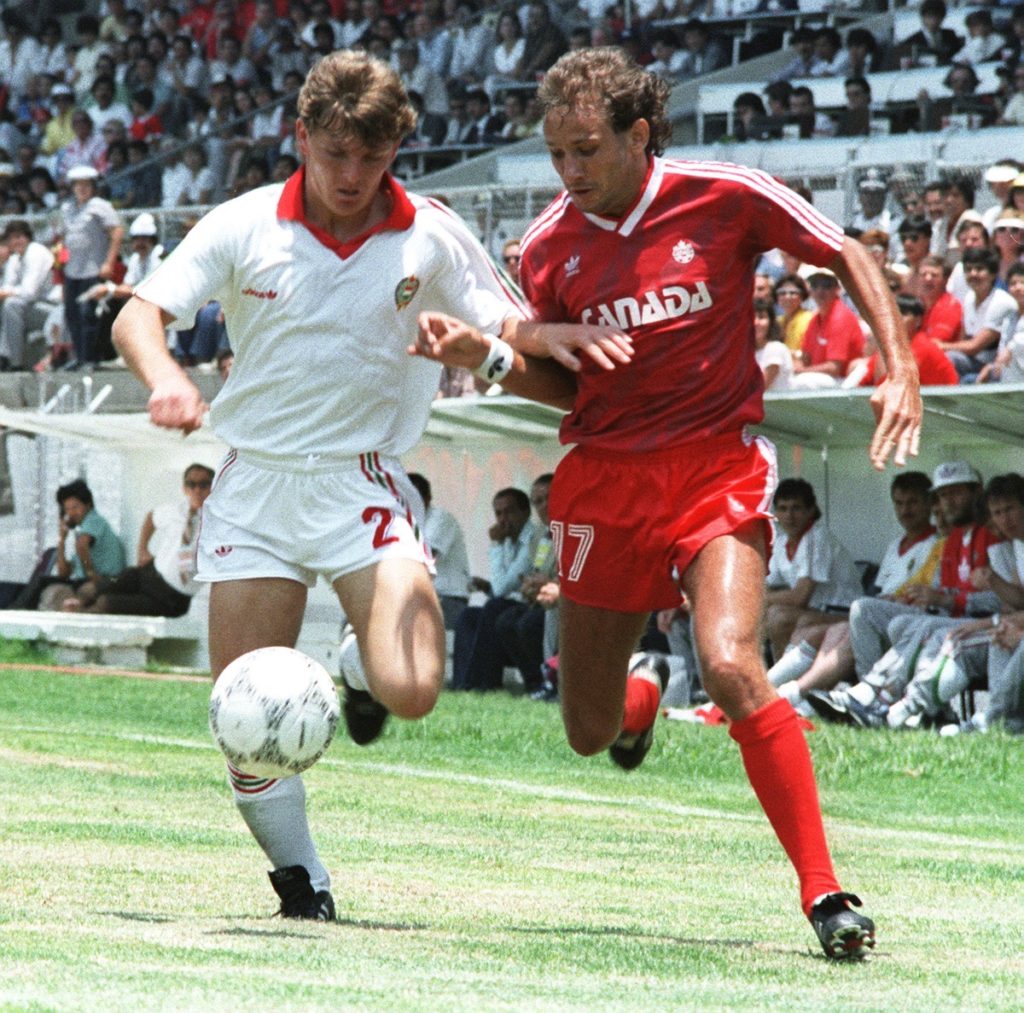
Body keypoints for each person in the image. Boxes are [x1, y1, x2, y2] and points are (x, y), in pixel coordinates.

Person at [411, 47, 922, 960]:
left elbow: (846, 252)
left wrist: (901, 368)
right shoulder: (546, 247)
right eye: (556, 153)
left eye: (586, 149)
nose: (570, 172)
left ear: (638, 135)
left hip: (713, 464)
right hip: (603, 478)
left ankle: (825, 892)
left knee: (731, 662)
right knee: (586, 730)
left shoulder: (724, 194)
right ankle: (641, 694)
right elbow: (569, 390)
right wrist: (486, 356)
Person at [111, 50, 574, 923]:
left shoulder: (429, 231)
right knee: (246, 715)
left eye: (373, 157)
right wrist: (165, 377)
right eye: (336, 156)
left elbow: (510, 322)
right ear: (303, 139)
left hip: (362, 484)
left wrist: (554, 338)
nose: (354, 175)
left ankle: (356, 673)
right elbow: (140, 313)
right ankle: (303, 880)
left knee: (415, 688)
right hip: (254, 490)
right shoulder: (246, 222)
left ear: (398, 147)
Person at [64, 464, 214, 616]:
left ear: (213, 487)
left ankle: (78, 619)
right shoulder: (177, 510)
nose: (197, 490)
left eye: (204, 484)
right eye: (191, 484)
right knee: (93, 589)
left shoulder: (219, 522)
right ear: (184, 488)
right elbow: (151, 518)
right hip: (150, 574)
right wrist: (143, 549)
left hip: (171, 597)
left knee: (106, 603)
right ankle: (71, 607)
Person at [763, 478, 863, 663]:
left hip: (844, 613)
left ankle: (779, 682)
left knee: (779, 617)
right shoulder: (781, 542)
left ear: (810, 511)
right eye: (783, 508)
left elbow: (799, 597)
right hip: (816, 611)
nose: (789, 516)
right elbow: (764, 585)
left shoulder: (817, 537)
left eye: (796, 508)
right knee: (760, 614)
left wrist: (761, 599)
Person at [59, 165, 124, 371]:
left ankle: (91, 358)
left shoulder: (100, 206)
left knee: (90, 315)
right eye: (79, 185)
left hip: (93, 268)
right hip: (72, 270)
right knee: (72, 314)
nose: (82, 189)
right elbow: (63, 238)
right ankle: (79, 356)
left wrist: (108, 262)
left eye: (87, 185)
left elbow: (116, 232)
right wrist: (61, 261)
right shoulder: (67, 208)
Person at [37, 479, 127, 612]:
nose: (71, 513)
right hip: (86, 580)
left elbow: (81, 545)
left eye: (75, 507)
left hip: (106, 580)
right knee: (44, 583)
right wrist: (61, 539)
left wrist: (91, 574)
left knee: (42, 584)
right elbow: (63, 573)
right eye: (67, 509)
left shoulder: (94, 520)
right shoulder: (84, 530)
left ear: (88, 505)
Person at [407, 472, 472, 630]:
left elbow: (426, 559)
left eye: (411, 497)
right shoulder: (404, 523)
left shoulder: (440, 519)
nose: (406, 502)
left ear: (427, 498)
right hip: (424, 599)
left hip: (448, 599)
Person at [0, 220, 58, 372]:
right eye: (13, 238)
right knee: (8, 304)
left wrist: (6, 293)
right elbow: (7, 285)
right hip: (33, 307)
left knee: (11, 305)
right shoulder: (15, 258)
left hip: (53, 309)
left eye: (20, 236)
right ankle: (5, 356)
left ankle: (14, 362)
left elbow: (29, 292)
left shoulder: (35, 252)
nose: (17, 241)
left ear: (28, 237)